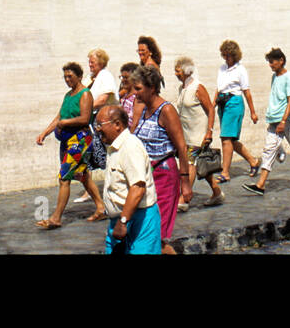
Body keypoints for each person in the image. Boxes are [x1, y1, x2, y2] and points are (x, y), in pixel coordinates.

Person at [35, 62, 106, 228]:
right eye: (65, 77)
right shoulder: (68, 95)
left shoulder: (85, 94)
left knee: (64, 177)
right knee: (82, 175)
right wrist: (45, 133)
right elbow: (59, 117)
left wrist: (66, 122)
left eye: (70, 76)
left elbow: (85, 118)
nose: (67, 80)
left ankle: (56, 218)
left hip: (80, 140)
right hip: (67, 140)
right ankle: (101, 207)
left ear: (79, 76)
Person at [130, 64, 192, 252]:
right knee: (147, 232)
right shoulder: (142, 108)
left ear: (152, 88)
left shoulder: (166, 111)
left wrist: (185, 182)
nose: (135, 93)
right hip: (146, 177)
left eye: (139, 89)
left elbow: (181, 146)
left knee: (158, 235)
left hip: (164, 175)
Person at [244, 49, 290, 195]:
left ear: (281, 60)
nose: (270, 65)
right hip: (274, 119)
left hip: (287, 120)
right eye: (269, 62)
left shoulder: (289, 77)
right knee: (269, 149)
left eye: (272, 61)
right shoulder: (274, 77)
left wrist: (283, 120)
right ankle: (261, 184)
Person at [95, 105, 161, 254]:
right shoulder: (113, 148)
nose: (97, 130)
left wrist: (123, 221)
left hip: (139, 219)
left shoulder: (130, 146)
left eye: (100, 125)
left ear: (117, 124)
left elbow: (137, 188)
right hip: (119, 221)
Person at [172, 57, 222, 208]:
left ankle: (184, 198)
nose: (175, 73)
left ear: (187, 71)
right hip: (186, 133)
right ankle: (217, 192)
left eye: (178, 70)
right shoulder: (182, 89)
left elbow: (211, 109)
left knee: (190, 163)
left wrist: (209, 132)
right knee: (201, 165)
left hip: (198, 134)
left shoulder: (198, 87)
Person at [215, 40, 259, 181]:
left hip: (234, 102)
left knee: (226, 138)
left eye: (229, 55)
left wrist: (253, 112)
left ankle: (225, 172)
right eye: (224, 55)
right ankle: (253, 161)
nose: (226, 58)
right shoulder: (222, 69)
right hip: (222, 102)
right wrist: (212, 105)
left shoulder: (241, 70)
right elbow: (218, 88)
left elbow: (247, 91)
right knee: (230, 139)